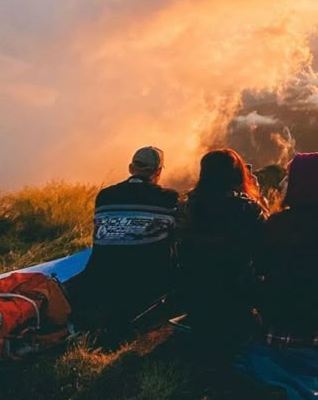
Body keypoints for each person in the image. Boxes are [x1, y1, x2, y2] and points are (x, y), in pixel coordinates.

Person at [75, 146, 179, 335]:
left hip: (100, 279)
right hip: (147, 283)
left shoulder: (104, 196)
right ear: (158, 171)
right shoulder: (168, 198)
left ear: (131, 168)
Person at [178, 148, 266, 349]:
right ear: (236, 174)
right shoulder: (248, 208)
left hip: (193, 294)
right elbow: (265, 250)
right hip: (236, 298)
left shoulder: (187, 205)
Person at [256, 153, 318, 347]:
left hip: (274, 321)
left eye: (288, 178)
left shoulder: (275, 223)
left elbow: (261, 267)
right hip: (316, 325)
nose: (281, 184)